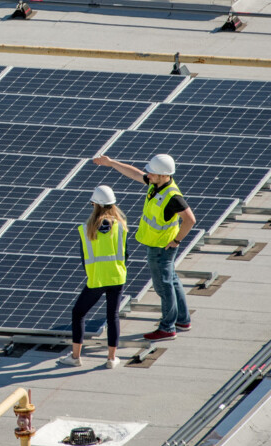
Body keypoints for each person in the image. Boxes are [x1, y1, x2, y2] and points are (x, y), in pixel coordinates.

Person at [91, 152, 195, 340]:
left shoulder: (172, 196)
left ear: (164, 175)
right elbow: (134, 174)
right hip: (159, 245)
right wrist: (111, 162)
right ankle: (182, 319)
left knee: (163, 286)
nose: (149, 175)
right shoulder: (156, 185)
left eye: (153, 173)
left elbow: (190, 219)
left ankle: (167, 328)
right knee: (171, 280)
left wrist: (177, 240)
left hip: (161, 247)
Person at [58, 185, 127, 369]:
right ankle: (112, 359)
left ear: (94, 205)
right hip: (117, 278)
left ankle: (75, 357)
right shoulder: (121, 227)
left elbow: (84, 258)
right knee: (112, 316)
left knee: (78, 313)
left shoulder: (86, 229)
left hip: (96, 279)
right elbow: (125, 254)